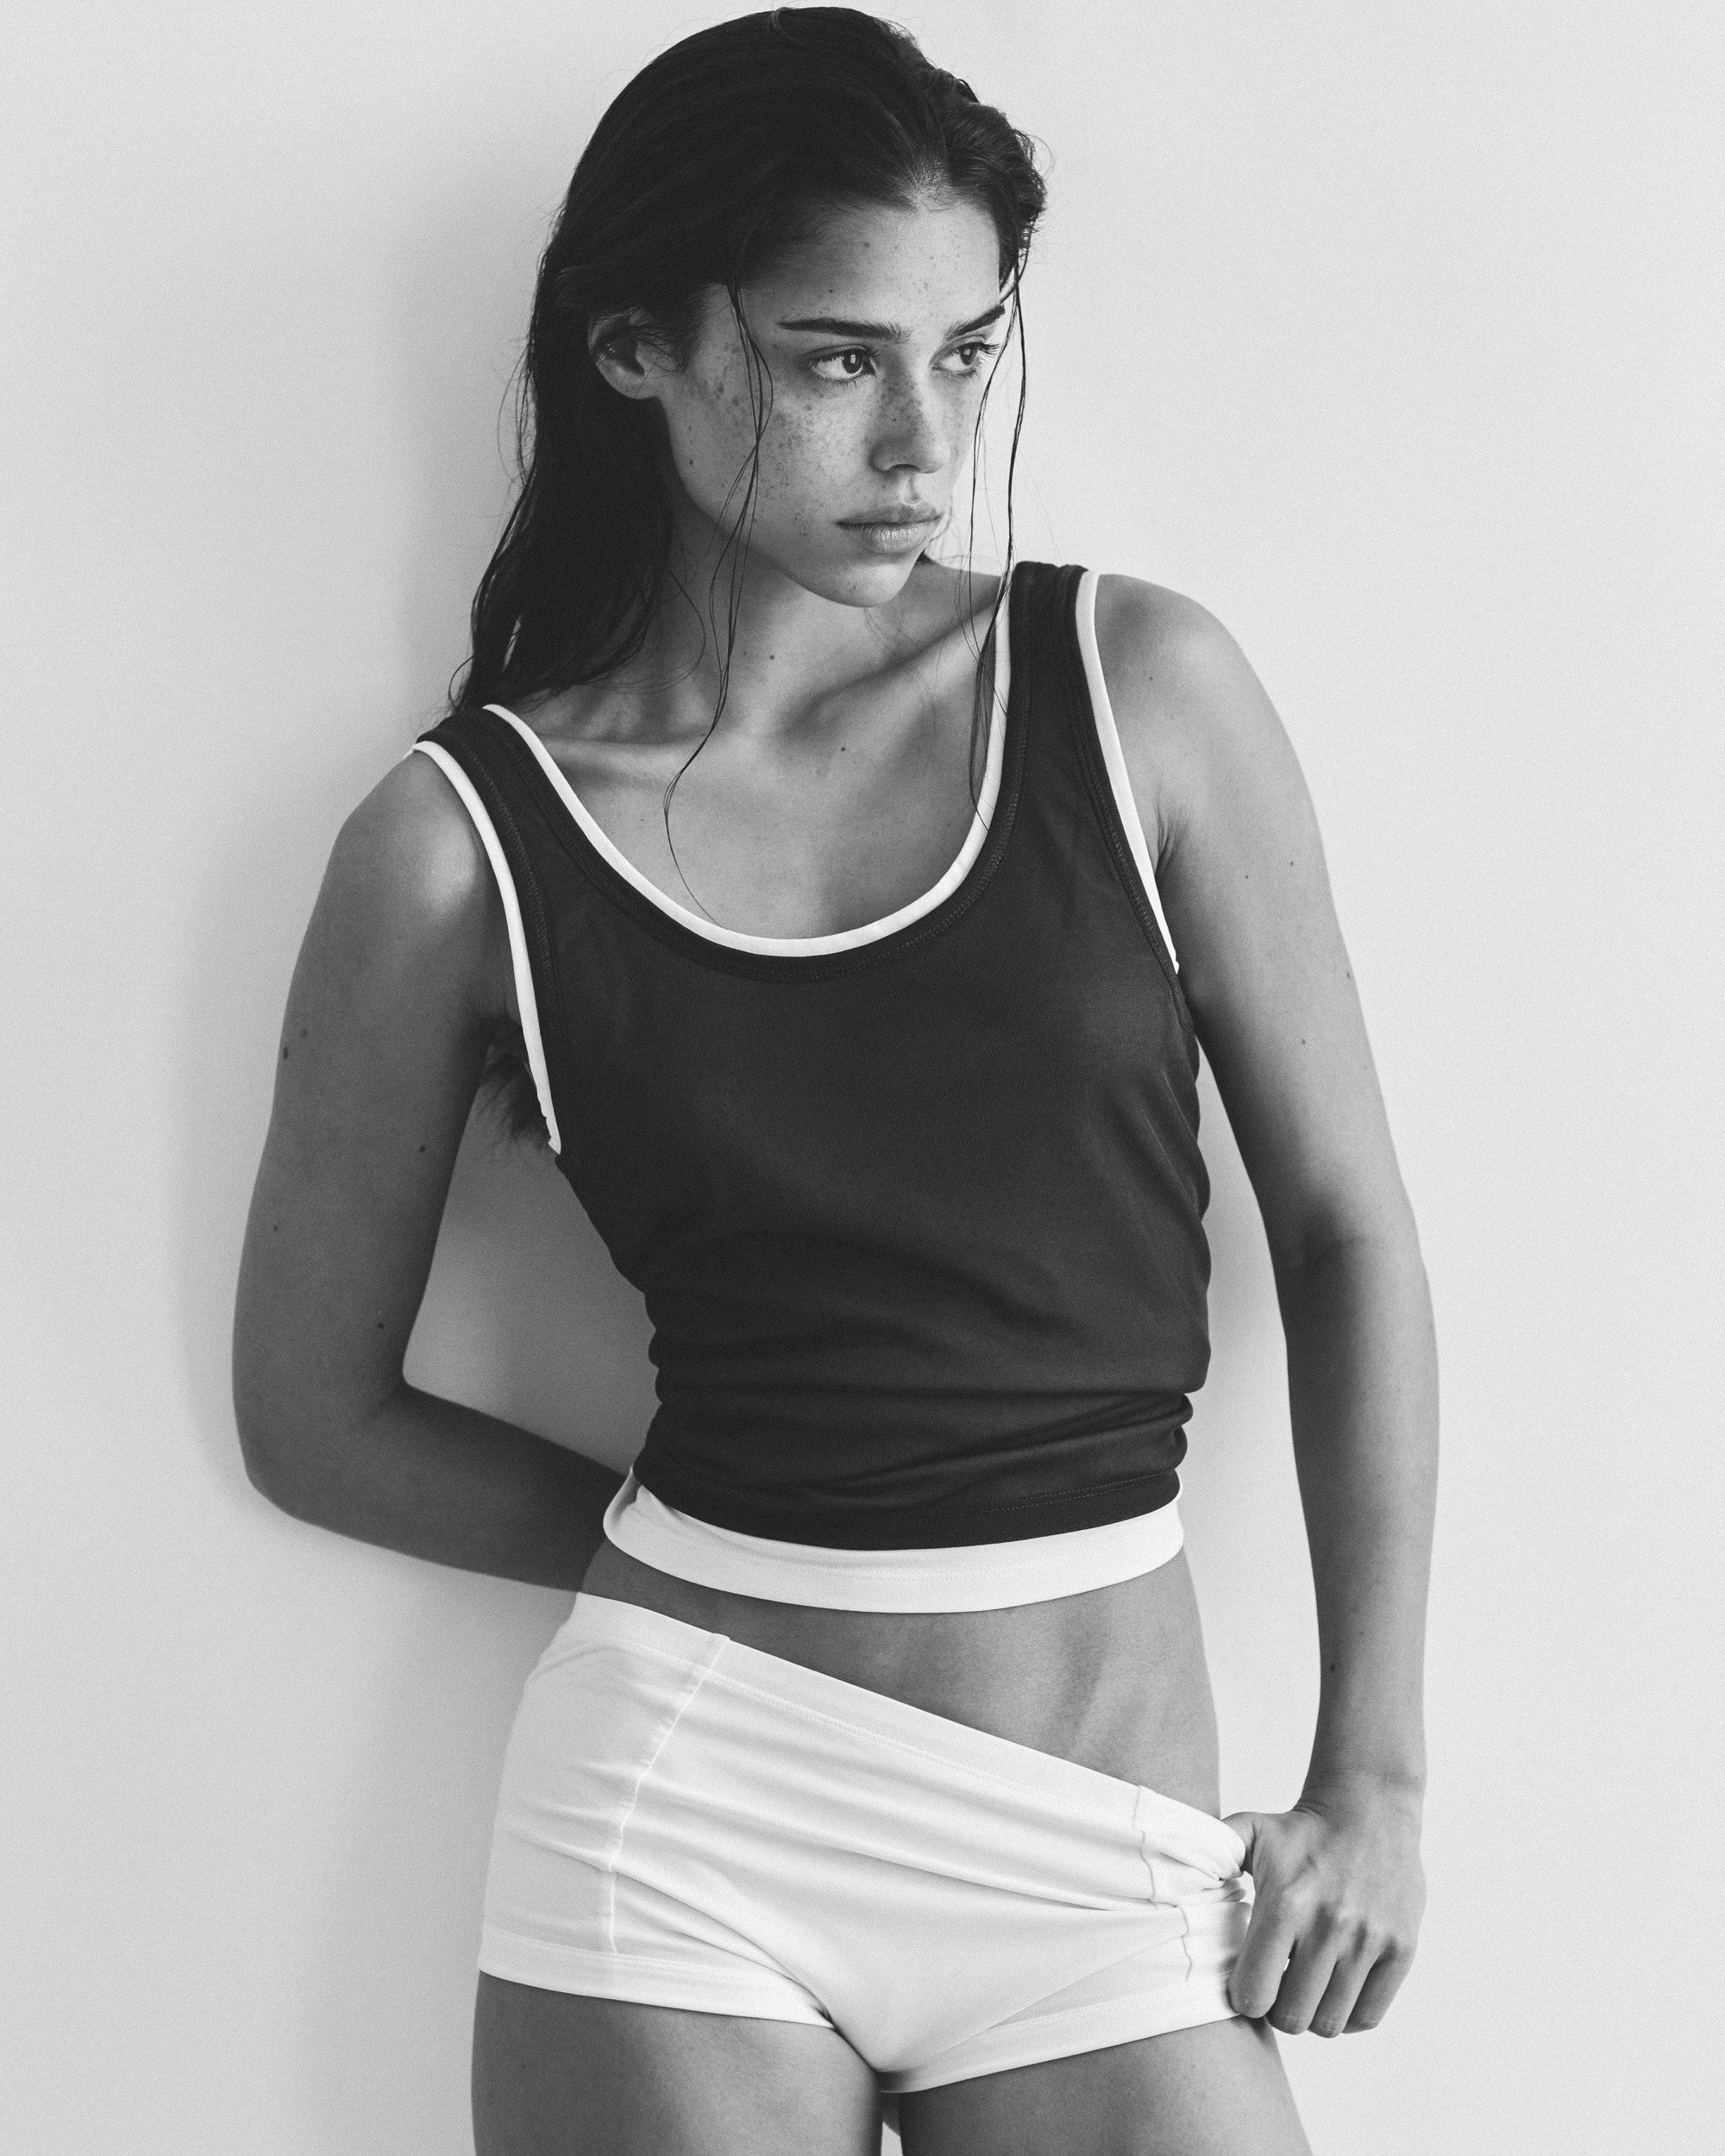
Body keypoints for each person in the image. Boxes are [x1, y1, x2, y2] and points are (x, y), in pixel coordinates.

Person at [232, 9, 1437, 2153]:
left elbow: (1344, 1233)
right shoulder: (456, 851)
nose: (921, 442)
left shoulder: (1135, 692)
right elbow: (314, 1416)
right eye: (832, 360)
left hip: (1102, 1841)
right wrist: (718, 1560)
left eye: (965, 352)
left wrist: (1377, 1773)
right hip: (687, 1814)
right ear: (636, 349)